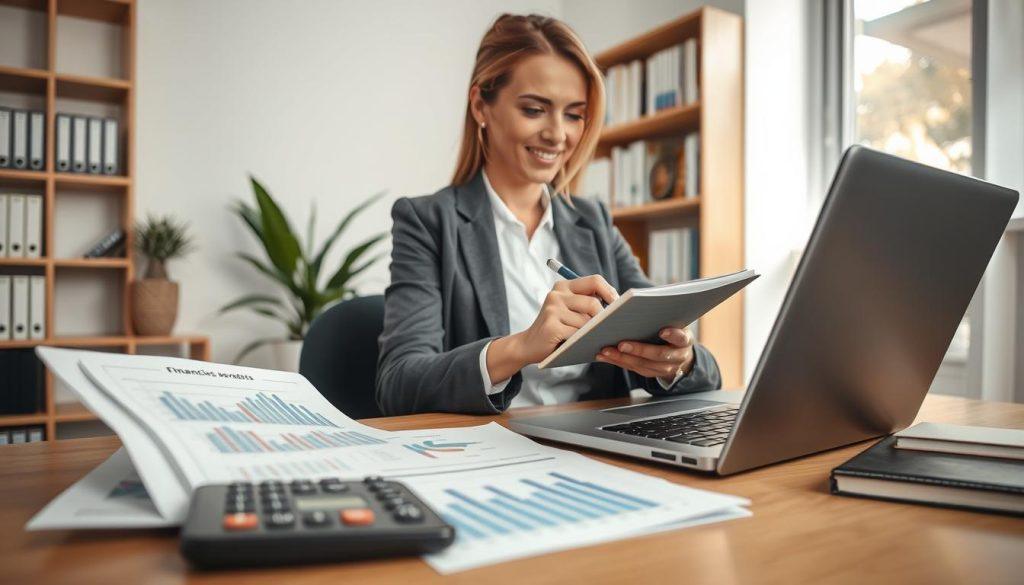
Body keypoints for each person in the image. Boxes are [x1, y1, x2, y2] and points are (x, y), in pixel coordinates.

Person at [376, 14, 721, 415]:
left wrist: (679, 360)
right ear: (480, 106)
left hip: (596, 445)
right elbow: (397, 383)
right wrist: (521, 346)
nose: (558, 134)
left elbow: (693, 361)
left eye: (574, 115)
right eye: (535, 109)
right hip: (492, 448)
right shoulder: (428, 222)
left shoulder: (591, 221)